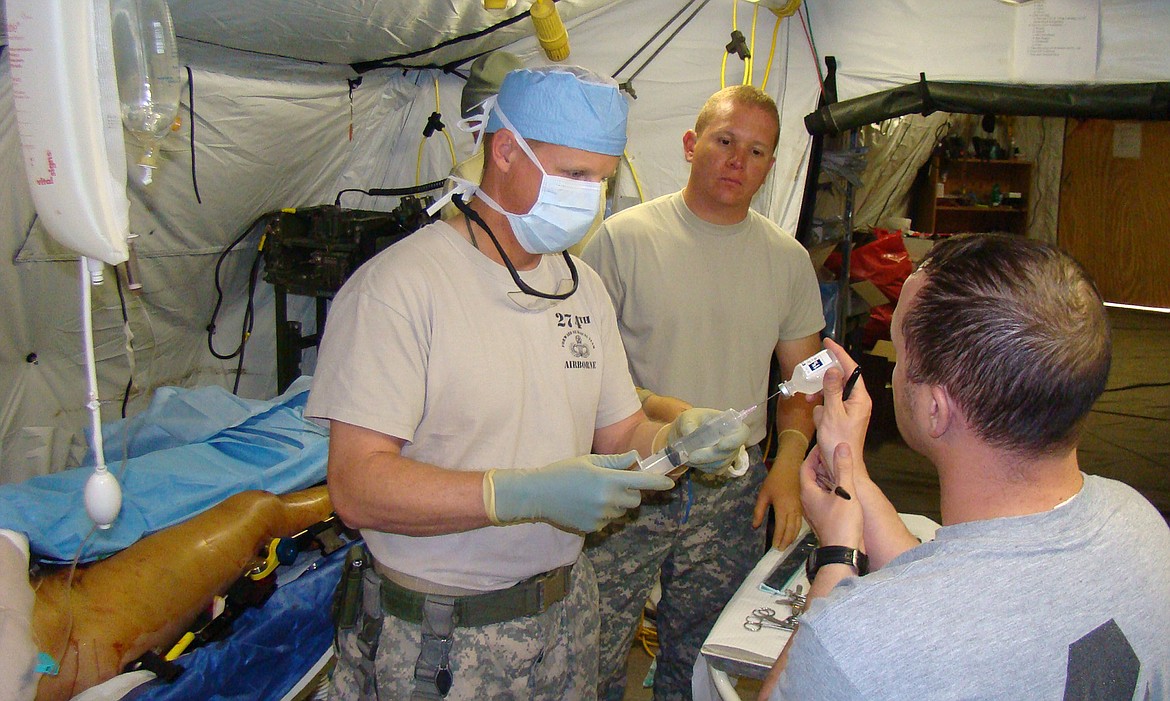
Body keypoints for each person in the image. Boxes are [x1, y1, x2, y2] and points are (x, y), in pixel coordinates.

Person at [305, 65, 746, 700]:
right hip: (443, 636)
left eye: (602, 178)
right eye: (574, 175)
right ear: (506, 151)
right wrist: (517, 495)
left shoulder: (581, 287)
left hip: (567, 614)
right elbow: (356, 487)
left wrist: (677, 436)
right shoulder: (401, 289)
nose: (592, 196)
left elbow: (620, 429)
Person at [763, 233, 1170, 699]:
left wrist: (837, 559)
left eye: (898, 351)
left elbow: (919, 622)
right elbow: (964, 590)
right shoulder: (1140, 524)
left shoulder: (856, 643)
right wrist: (850, 471)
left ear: (936, 410)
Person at [581, 84, 825, 699]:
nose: (738, 161)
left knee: (703, 656)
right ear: (692, 145)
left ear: (771, 166)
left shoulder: (787, 260)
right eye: (725, 141)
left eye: (758, 151)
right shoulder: (622, 240)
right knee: (596, 644)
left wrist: (788, 466)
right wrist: (661, 418)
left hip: (731, 486)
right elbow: (578, 371)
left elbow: (806, 382)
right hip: (632, 472)